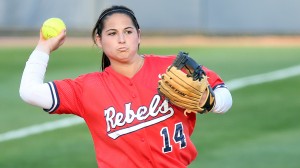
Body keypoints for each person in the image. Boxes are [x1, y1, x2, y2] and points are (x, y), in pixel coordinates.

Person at [19, 5, 232, 168]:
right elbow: (29, 92)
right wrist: (43, 47)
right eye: (112, 33)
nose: (122, 39)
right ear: (99, 40)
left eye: (128, 32)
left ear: (139, 35)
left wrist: (211, 102)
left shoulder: (171, 68)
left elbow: (223, 93)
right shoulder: (88, 88)